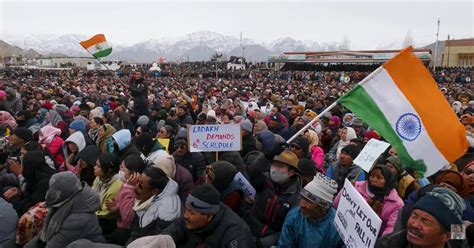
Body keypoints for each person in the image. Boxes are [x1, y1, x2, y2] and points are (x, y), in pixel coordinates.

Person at [129, 183, 256, 248]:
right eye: (187, 210)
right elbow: (174, 230)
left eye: (191, 212)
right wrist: (164, 240)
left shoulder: (236, 235)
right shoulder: (189, 220)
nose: (185, 216)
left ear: (208, 216)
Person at [24, 172, 105, 248]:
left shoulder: (78, 219)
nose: (50, 192)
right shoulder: (67, 201)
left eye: (54, 190)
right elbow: (42, 235)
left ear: (63, 192)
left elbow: (54, 245)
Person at [375, 187, 469, 248]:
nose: (414, 224)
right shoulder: (387, 244)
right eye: (414, 216)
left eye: (426, 221)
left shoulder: (459, 240)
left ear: (446, 236)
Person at [247, 150, 302, 247]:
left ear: (291, 172)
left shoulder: (296, 197)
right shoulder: (264, 180)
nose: (274, 169)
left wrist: (264, 243)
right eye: (274, 164)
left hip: (269, 241)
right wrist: (266, 155)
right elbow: (253, 170)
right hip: (248, 230)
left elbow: (289, 229)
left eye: (280, 166)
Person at [334, 164, 404, 236]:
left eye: (379, 177)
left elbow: (390, 229)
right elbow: (336, 205)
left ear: (387, 180)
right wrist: (347, 189)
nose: (374, 179)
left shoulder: (396, 203)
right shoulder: (356, 186)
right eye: (372, 176)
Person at [278, 173, 344, 247]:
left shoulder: (338, 226)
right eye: (302, 197)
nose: (301, 204)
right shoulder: (294, 216)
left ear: (323, 207)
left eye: (308, 201)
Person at [127, 166, 181, 244]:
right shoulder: (150, 195)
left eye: (140, 185)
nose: (135, 187)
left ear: (154, 191)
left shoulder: (167, 212)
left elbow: (157, 242)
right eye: (137, 181)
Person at [106, 155, 146, 245]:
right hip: (119, 224)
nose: (120, 170)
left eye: (122, 168)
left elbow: (127, 219)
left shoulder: (135, 190)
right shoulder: (125, 184)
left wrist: (129, 188)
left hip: (127, 232)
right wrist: (116, 208)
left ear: (133, 174)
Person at [5, 150, 56, 216]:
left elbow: (30, 207)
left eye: (23, 165)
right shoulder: (40, 174)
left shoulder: (45, 183)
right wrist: (20, 192)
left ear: (28, 166)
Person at [92, 153, 123, 234]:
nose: (94, 167)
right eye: (95, 165)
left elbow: (106, 213)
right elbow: (91, 195)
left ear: (109, 170)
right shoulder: (99, 178)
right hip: (94, 212)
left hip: (106, 221)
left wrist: (88, 214)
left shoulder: (117, 186)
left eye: (98, 166)